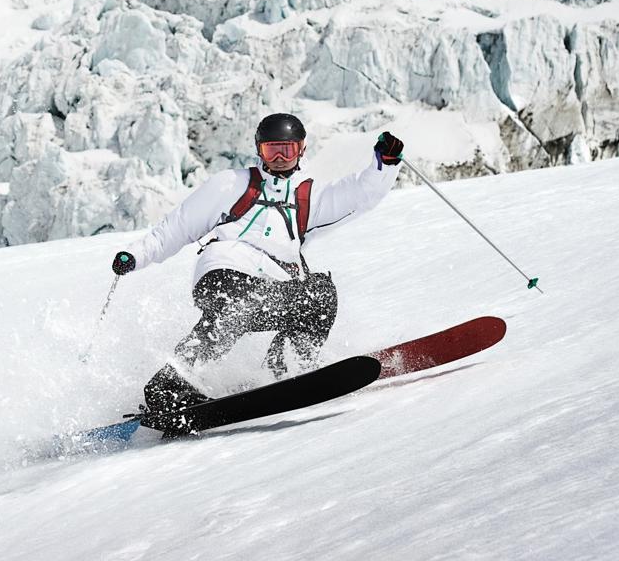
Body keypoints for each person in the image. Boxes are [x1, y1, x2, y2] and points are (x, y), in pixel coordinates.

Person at [111, 113, 404, 413]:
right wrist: (135, 255)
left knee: (320, 295)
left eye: (286, 150)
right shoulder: (231, 185)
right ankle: (170, 383)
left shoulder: (308, 196)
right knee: (240, 307)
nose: (278, 158)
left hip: (273, 285)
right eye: (271, 150)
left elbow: (359, 194)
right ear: (258, 150)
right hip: (223, 272)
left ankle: (286, 365)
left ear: (301, 149)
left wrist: (386, 164)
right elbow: (176, 227)